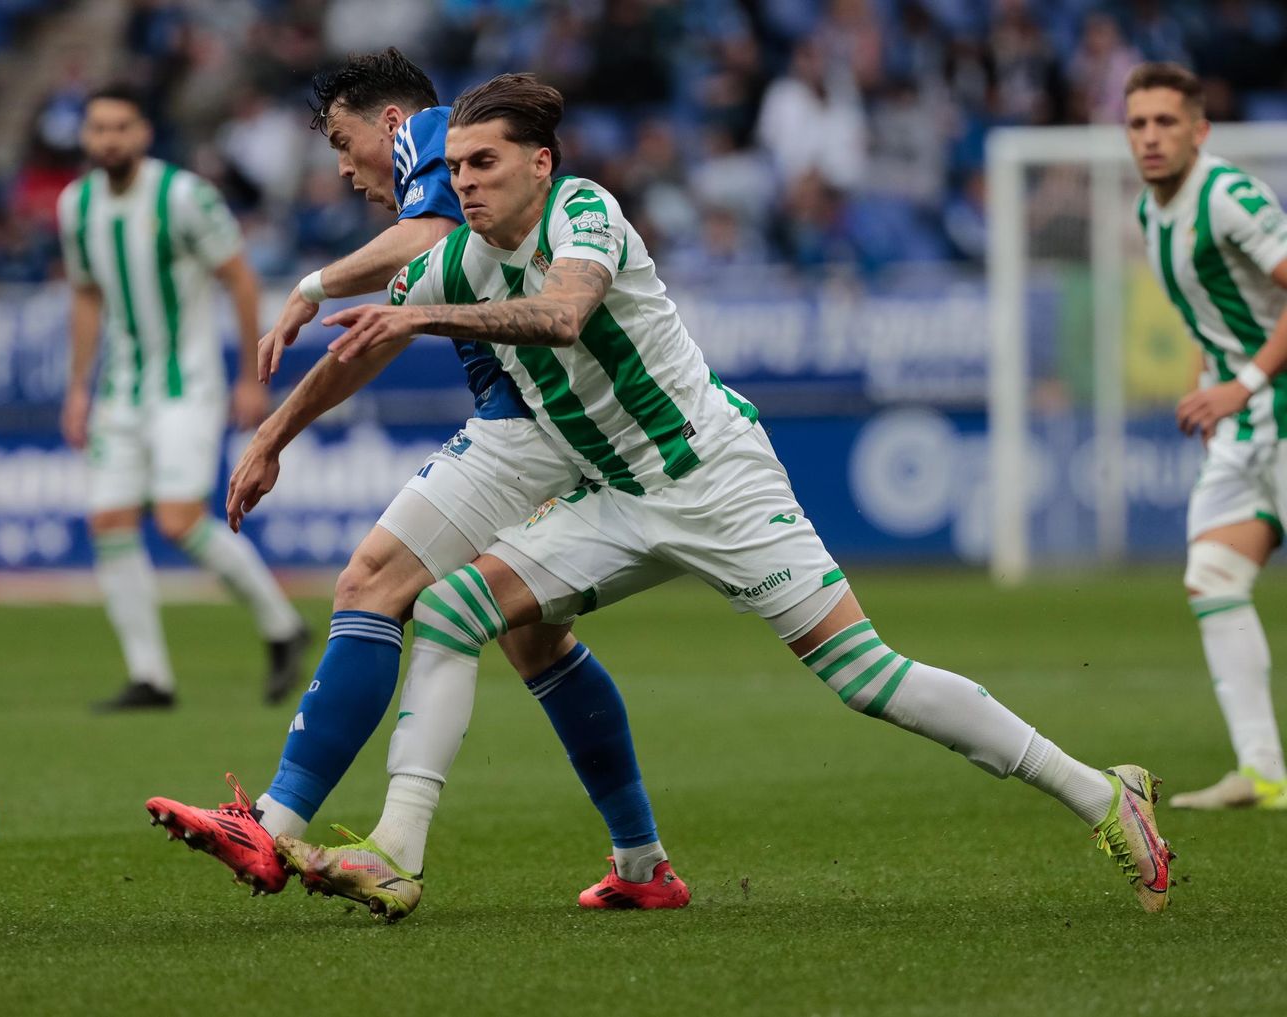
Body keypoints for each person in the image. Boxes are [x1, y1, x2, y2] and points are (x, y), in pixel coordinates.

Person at [275, 73, 1174, 922]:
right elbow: (365, 342)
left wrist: (418, 313)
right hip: (618, 498)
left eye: (485, 162)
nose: (466, 182)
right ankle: (397, 851)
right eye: (457, 167)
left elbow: (563, 314)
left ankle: (1101, 791)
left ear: (540, 163)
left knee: (866, 677)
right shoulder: (460, 262)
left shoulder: (584, 212)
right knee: (452, 609)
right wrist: (273, 433)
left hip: (716, 483)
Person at [145, 51, 686, 911]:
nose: (342, 168)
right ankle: (643, 863)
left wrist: (311, 285)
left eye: (342, 140)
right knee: (536, 644)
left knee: (371, 582)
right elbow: (385, 333)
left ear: (392, 123)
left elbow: (424, 243)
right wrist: (277, 430)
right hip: (567, 429)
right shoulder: (456, 205)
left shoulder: (433, 137)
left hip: (528, 427)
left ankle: (273, 824)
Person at [56, 84, 308, 711]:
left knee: (177, 520)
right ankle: (151, 677)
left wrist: (249, 378)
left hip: (185, 386)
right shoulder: (75, 205)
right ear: (85, 137)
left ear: (143, 132)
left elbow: (240, 278)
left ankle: (282, 625)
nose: (109, 139)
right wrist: (78, 386)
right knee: (109, 521)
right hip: (120, 389)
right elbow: (86, 295)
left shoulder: (184, 196)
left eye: (121, 127)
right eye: (98, 128)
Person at [1125, 61, 1287, 809]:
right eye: (1138, 123)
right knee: (1214, 577)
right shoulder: (1149, 213)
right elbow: (1209, 317)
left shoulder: (1228, 196)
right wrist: (1208, 387)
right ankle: (1263, 774)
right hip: (1243, 422)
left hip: (1275, 404)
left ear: (1200, 130)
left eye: (1166, 121)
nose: (1151, 137)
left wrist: (1241, 383)